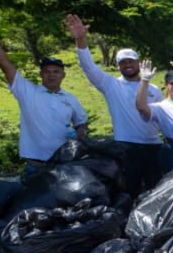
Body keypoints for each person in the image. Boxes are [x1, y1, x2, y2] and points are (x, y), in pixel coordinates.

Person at [64, 14, 163, 195]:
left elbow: (162, 115)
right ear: (117, 66)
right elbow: (88, 66)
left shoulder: (153, 88)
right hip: (126, 145)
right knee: (129, 190)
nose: (127, 65)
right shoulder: (110, 85)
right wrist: (80, 39)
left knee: (156, 190)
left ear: (138, 63)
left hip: (153, 145)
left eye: (130, 61)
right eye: (122, 62)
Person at [0, 12, 87, 174]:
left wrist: (79, 135)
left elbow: (81, 122)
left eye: (56, 72)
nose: (51, 75)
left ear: (63, 75)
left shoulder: (70, 99)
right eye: (47, 71)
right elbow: (4, 63)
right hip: (36, 166)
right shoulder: (27, 91)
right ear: (41, 74)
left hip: (64, 165)